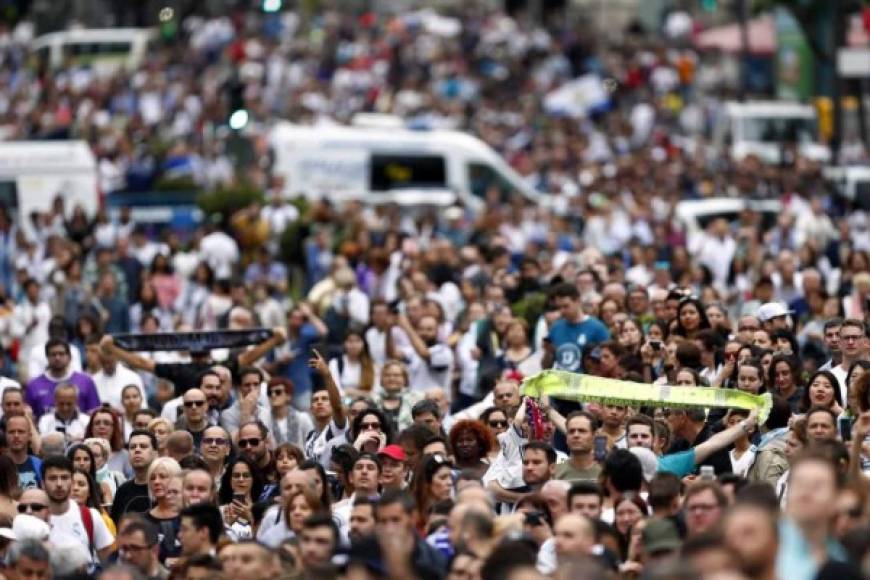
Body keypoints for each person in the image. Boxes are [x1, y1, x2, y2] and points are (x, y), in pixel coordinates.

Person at [42, 455, 115, 568]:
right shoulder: (36, 518)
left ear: (72, 481)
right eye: (52, 478)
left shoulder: (90, 516)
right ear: (43, 484)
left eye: (65, 478)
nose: (59, 484)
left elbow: (110, 564)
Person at [375, 489, 447, 578]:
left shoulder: (433, 562)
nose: (389, 529)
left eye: (396, 520)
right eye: (383, 521)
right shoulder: (365, 555)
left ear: (413, 517)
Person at [25, 338, 100, 419]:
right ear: (47, 357)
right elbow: (29, 417)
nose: (57, 358)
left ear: (69, 357)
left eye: (61, 354)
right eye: (53, 354)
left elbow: (94, 413)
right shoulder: (34, 385)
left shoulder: (86, 382)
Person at [543, 283, 609, 372]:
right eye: (559, 307)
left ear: (578, 301)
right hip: (561, 382)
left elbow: (607, 361)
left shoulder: (597, 328)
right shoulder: (556, 327)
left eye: (566, 306)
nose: (562, 311)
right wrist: (548, 352)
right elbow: (546, 366)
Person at [111, 430, 157, 523]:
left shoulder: (161, 487)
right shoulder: (122, 490)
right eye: (132, 447)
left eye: (143, 446)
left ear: (155, 453)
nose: (137, 450)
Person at [143, 457, 182, 564]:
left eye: (162, 477)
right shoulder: (142, 521)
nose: (156, 482)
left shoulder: (191, 517)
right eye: (152, 478)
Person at [218, 457, 263, 541]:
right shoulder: (219, 512)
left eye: (246, 476)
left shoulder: (263, 513)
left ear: (254, 480)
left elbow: (269, 542)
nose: (241, 479)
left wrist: (251, 519)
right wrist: (227, 524)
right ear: (230, 481)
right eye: (236, 476)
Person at [555, 411, 601, 482]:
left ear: (595, 436)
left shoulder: (607, 472)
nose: (576, 435)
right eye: (571, 431)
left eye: (582, 431)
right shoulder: (554, 473)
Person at [6, 415, 42, 489]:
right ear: (6, 435)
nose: (16, 435)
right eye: (11, 432)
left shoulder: (39, 465)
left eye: (21, 432)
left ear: (29, 436)